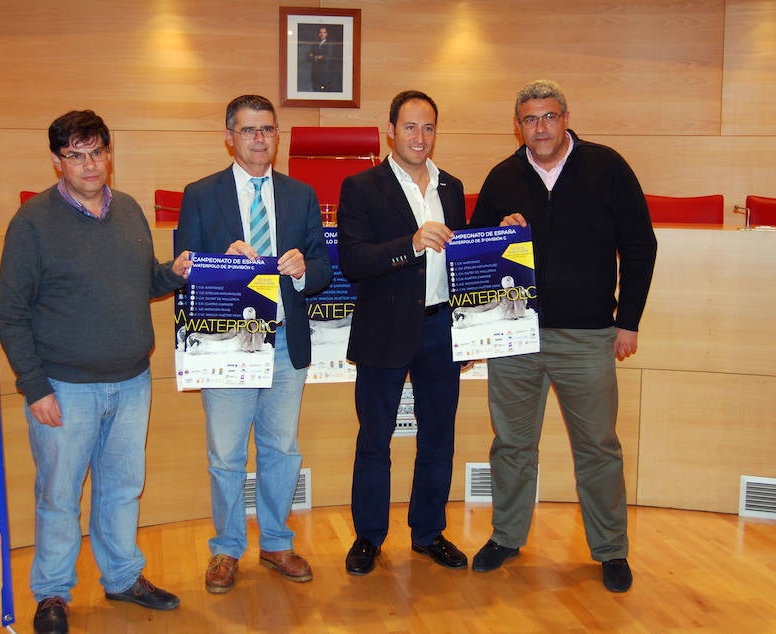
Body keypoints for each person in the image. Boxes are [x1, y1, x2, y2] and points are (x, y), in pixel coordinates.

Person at [0, 110, 191, 634]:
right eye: (76, 155)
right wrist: (34, 387)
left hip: (132, 381)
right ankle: (53, 593)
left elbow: (140, 282)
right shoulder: (33, 222)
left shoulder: (127, 210)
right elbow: (10, 312)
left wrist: (171, 274)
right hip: (63, 388)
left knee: (123, 487)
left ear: (109, 152)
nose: (90, 164)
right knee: (60, 495)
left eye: (97, 152)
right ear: (58, 160)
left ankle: (123, 577)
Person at [467, 79, 657, 593]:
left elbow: (641, 245)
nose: (540, 127)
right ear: (518, 125)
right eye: (530, 119)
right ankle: (507, 537)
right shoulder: (502, 178)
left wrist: (629, 320)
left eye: (549, 116)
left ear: (566, 117)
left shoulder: (607, 166)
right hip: (516, 338)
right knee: (511, 444)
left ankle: (610, 550)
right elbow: (474, 258)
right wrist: (500, 236)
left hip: (589, 335)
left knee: (597, 445)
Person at [174, 94, 332, 594]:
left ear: (277, 136)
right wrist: (219, 261)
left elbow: (324, 269)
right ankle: (225, 550)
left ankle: (277, 543)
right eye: (248, 130)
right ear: (229, 137)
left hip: (285, 344)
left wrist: (306, 269)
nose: (259, 138)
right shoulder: (200, 194)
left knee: (281, 448)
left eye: (267, 129)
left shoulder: (301, 195)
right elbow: (185, 270)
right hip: (229, 345)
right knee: (225, 453)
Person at [338, 90, 468, 576]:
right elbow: (353, 261)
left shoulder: (450, 187)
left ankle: (429, 532)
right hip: (384, 329)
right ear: (389, 130)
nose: (420, 137)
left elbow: (464, 256)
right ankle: (369, 537)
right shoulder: (361, 186)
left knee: (438, 437)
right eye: (410, 127)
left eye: (428, 127)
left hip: (441, 328)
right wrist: (410, 244)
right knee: (376, 437)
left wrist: (503, 232)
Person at [307, 26, 338, 92]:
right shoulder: (314, 44)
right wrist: (318, 57)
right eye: (320, 32)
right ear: (318, 34)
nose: (322, 34)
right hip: (315, 75)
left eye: (324, 32)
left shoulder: (330, 44)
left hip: (325, 75)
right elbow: (307, 58)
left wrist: (314, 56)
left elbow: (327, 58)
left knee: (325, 96)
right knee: (315, 95)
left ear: (327, 34)